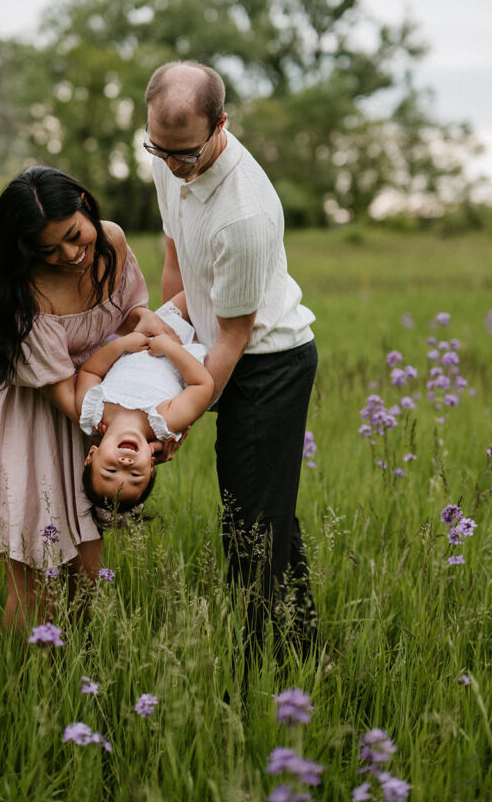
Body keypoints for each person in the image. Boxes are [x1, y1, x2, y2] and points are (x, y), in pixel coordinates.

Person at [0, 165, 173, 631]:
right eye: (49, 249)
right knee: (35, 587)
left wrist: (143, 319)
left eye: (74, 235)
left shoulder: (112, 242)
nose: (71, 255)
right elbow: (67, 396)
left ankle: (75, 684)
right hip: (37, 423)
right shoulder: (25, 293)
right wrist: (136, 434)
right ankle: (17, 689)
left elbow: (127, 311)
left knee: (87, 578)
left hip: (96, 412)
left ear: (85, 202)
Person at [144, 60, 319, 662]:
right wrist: (165, 352)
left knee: (252, 527)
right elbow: (175, 264)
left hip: (267, 364)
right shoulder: (169, 156)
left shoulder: (245, 213)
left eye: (185, 155)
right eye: (158, 150)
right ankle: (304, 653)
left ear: (221, 124)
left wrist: (177, 420)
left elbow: (235, 336)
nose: (172, 166)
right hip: (214, 341)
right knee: (262, 513)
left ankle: (263, 667)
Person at [78, 300, 213, 514]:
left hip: (156, 322)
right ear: (150, 467)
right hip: (192, 338)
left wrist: (120, 345)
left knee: (179, 273)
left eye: (110, 470)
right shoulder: (164, 422)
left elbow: (90, 372)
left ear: (92, 455)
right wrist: (170, 348)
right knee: (202, 290)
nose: (125, 463)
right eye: (134, 475)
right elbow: (202, 386)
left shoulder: (93, 409)